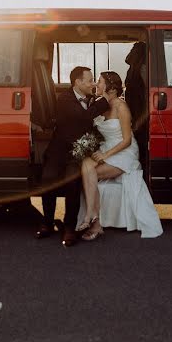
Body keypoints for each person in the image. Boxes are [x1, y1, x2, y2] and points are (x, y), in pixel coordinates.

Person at [77, 71, 163, 240]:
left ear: (112, 88)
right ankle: (91, 216)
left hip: (123, 152)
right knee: (86, 165)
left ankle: (94, 222)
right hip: (105, 147)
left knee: (91, 173)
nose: (96, 85)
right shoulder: (100, 104)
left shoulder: (121, 106)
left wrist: (105, 155)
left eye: (100, 82)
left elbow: (127, 140)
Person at [36, 65, 110, 247]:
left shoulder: (91, 99)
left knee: (72, 183)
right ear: (78, 82)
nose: (93, 84)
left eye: (94, 80)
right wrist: (104, 101)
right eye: (90, 80)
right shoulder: (65, 98)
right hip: (58, 151)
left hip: (76, 154)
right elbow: (83, 117)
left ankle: (69, 227)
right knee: (49, 179)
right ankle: (47, 222)